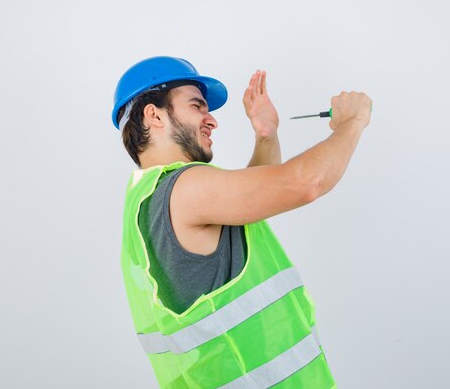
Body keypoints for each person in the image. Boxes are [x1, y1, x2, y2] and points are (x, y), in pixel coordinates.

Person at [113, 56, 372, 389]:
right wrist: (354, 120)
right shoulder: (186, 188)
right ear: (155, 114)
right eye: (197, 106)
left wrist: (266, 136)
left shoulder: (150, 196)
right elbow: (306, 183)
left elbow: (249, 203)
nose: (211, 121)